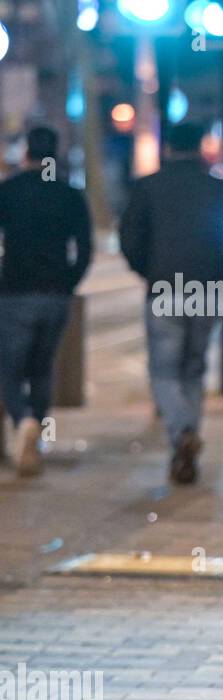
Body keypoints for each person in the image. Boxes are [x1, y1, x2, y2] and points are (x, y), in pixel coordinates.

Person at [119, 122, 223, 484]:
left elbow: (130, 238)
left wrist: (149, 271)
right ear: (200, 147)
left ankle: (182, 432)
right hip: (209, 289)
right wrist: (221, 270)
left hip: (165, 288)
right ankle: (187, 434)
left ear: (169, 146)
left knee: (163, 370)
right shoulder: (220, 189)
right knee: (194, 367)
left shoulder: (148, 187)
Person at [0, 126, 93, 477]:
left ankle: (21, 419)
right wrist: (68, 282)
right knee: (41, 369)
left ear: (26, 153)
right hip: (54, 295)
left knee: (8, 369)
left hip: (14, 293)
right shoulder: (68, 195)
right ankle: (36, 431)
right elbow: (84, 249)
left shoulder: (9, 191)